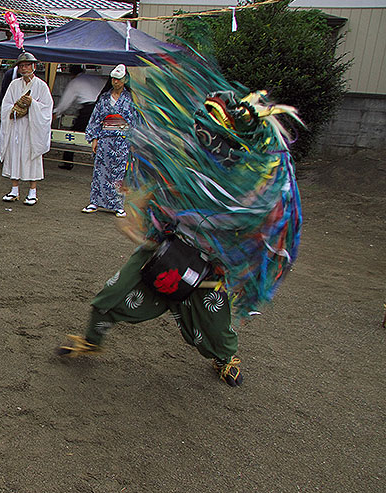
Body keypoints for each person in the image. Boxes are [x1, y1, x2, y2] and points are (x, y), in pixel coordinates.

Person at [58, 57, 304, 388]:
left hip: (206, 259)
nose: (202, 135)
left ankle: (224, 357)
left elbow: (251, 221)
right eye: (201, 129)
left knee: (214, 319)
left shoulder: (248, 180)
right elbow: (159, 184)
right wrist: (141, 217)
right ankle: (91, 341)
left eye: (209, 131)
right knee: (112, 293)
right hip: (166, 245)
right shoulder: (185, 157)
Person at [83, 64, 140, 217]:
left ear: (125, 80)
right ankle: (95, 201)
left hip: (122, 141)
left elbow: (136, 121)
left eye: (119, 79)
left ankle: (118, 205)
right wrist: (94, 138)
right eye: (114, 79)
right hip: (105, 140)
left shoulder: (130, 99)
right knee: (100, 171)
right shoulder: (104, 98)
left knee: (119, 174)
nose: (116, 82)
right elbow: (96, 118)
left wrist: (134, 142)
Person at [0, 52, 53, 206]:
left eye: (27, 65)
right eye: (21, 66)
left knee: (32, 156)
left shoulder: (41, 86)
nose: (24, 68)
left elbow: (47, 108)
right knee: (14, 155)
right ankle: (14, 189)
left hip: (32, 128)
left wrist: (32, 104)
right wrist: (16, 108)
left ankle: (32, 192)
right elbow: (6, 104)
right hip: (16, 126)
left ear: (33, 66)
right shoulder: (14, 84)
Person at [54, 65, 106, 170]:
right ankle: (103, 163)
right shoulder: (94, 77)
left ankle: (67, 162)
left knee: (74, 133)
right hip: (103, 107)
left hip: (89, 109)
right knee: (102, 136)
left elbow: (66, 102)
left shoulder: (75, 82)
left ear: (72, 74)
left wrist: (56, 112)